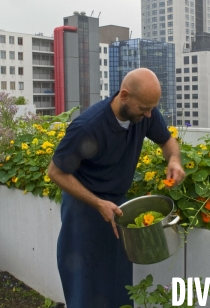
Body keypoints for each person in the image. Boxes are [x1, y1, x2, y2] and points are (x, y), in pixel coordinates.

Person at [48, 68, 185, 308]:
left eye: (152, 108)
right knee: (85, 284)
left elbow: (167, 141)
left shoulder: (145, 116)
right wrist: (97, 203)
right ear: (124, 95)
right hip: (83, 210)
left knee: (118, 283)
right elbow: (56, 171)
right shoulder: (87, 126)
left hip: (118, 207)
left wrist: (173, 159)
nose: (150, 114)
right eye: (144, 108)